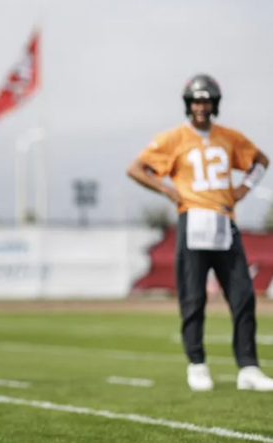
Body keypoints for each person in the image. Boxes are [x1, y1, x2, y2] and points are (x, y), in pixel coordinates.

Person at [127, 73, 273, 392]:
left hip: (224, 222)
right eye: (196, 101)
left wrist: (243, 189)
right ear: (188, 105)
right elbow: (136, 168)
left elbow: (261, 160)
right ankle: (197, 363)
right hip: (193, 221)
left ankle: (247, 367)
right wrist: (166, 189)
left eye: (206, 100)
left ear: (215, 103)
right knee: (193, 298)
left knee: (243, 296)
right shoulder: (173, 138)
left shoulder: (229, 137)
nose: (201, 107)